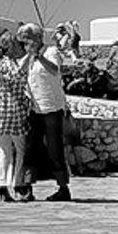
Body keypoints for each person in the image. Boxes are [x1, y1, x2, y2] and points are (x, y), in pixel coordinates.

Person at [18, 23, 71, 201]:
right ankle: (26, 187)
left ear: (38, 38)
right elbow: (19, 72)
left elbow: (54, 70)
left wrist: (39, 55)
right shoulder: (29, 58)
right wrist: (29, 56)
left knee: (54, 149)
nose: (26, 44)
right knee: (30, 149)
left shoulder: (51, 52)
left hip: (52, 109)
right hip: (34, 109)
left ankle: (63, 187)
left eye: (28, 39)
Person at [0, 32, 31, 202]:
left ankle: (2, 184)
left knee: (2, 150)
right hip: (15, 111)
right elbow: (17, 77)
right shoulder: (12, 65)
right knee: (21, 150)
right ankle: (18, 184)